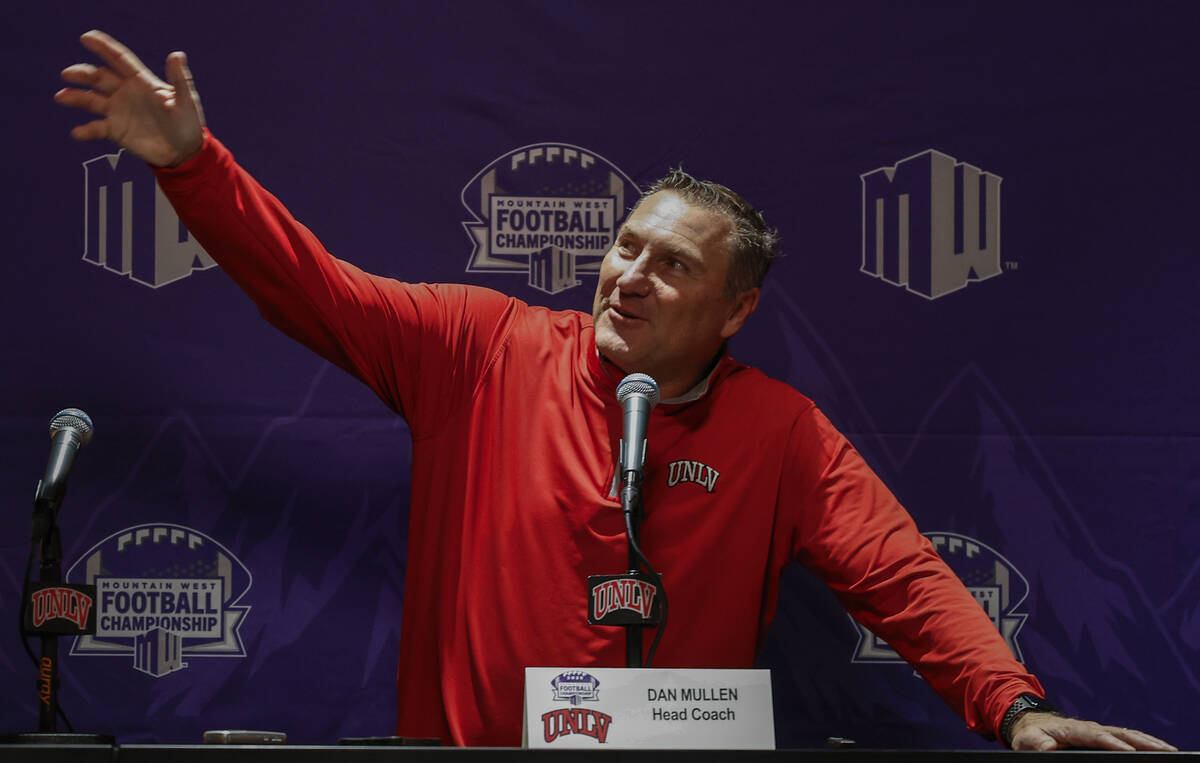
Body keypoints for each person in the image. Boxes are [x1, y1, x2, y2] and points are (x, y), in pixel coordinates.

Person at [54, 30, 1176, 752]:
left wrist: (1015, 708)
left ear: (735, 310)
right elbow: (309, 288)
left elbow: (902, 574)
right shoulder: (480, 349)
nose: (631, 274)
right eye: (627, 247)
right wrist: (190, 167)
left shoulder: (782, 434)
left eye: (673, 264)